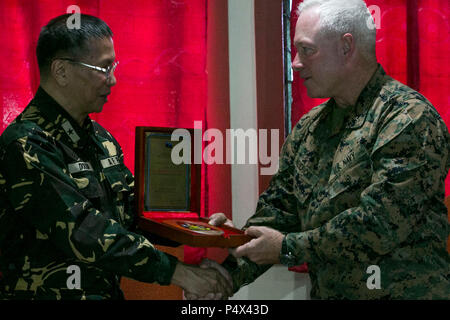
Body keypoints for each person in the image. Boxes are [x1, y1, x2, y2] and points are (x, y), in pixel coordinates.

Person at [201, 0, 450, 299]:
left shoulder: (408, 119)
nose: (295, 62)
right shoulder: (309, 128)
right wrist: (225, 274)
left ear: (346, 47)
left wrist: (286, 248)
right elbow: (279, 212)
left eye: (307, 50)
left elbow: (379, 224)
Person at [0, 13, 232, 300]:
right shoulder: (25, 143)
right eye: (103, 67)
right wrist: (177, 273)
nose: (113, 80)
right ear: (61, 71)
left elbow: (135, 216)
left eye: (114, 66)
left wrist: (201, 229)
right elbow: (82, 230)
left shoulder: (101, 140)